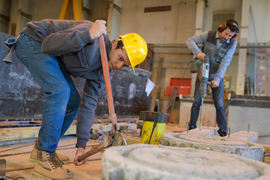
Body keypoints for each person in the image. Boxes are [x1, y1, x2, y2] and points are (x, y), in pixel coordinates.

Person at [13, 19, 147, 179]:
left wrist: (81, 146)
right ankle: (45, 155)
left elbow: (89, 104)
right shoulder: (90, 35)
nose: (118, 66)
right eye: (120, 58)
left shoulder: (102, 72)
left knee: (73, 102)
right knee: (60, 91)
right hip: (33, 41)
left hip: (50, 54)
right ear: (115, 44)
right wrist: (88, 35)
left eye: (124, 65)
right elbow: (48, 44)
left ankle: (41, 148)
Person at [186, 19, 239, 137]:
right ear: (221, 29)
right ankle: (192, 127)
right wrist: (198, 53)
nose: (227, 38)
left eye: (230, 36)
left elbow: (225, 62)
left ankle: (223, 131)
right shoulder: (209, 35)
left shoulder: (232, 43)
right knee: (197, 101)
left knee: (219, 103)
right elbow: (190, 40)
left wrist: (218, 79)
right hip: (202, 72)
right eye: (226, 34)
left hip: (216, 75)